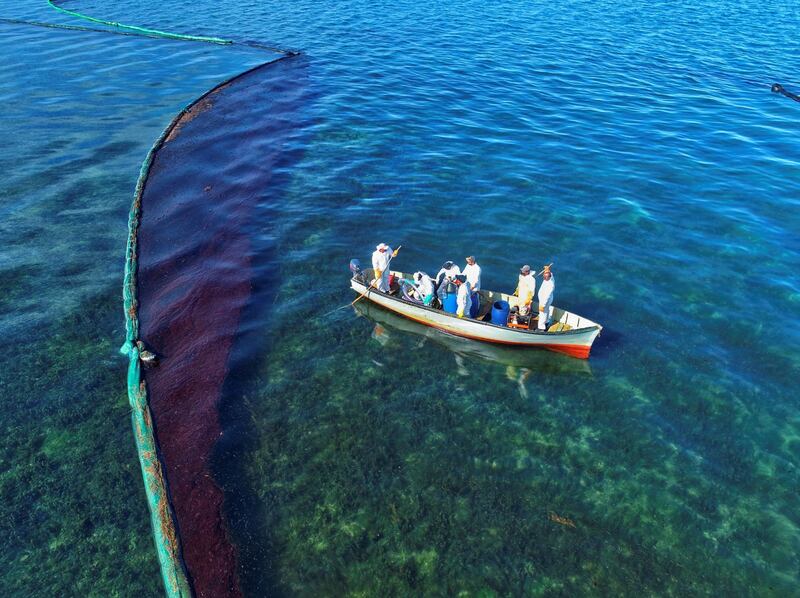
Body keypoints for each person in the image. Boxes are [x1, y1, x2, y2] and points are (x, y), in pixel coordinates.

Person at [537, 265, 555, 330]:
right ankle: (547, 322)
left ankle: (541, 328)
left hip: (545, 301)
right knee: (546, 311)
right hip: (548, 299)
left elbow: (546, 297)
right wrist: (547, 270)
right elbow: (551, 274)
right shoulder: (551, 278)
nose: (543, 278)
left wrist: (542, 305)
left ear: (547, 277)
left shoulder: (550, 285)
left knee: (542, 313)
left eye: (544, 277)